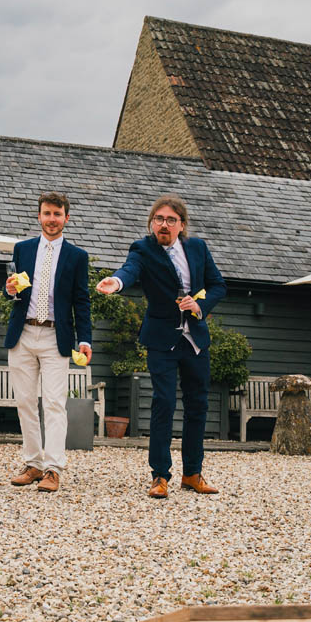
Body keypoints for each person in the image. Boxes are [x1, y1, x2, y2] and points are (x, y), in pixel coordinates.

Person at [96, 195, 227, 499]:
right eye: (158, 219)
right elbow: (129, 270)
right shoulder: (142, 249)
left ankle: (192, 474)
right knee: (164, 402)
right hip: (161, 338)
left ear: (182, 224)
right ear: (151, 222)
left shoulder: (197, 248)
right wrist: (115, 283)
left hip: (194, 338)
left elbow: (219, 284)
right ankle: (160, 476)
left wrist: (200, 304)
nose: (164, 224)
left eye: (170, 219)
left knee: (198, 405)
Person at [3, 192, 93, 493]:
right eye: (46, 213)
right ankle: (33, 463)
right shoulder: (22, 249)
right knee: (25, 402)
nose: (51, 219)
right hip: (23, 333)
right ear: (39, 216)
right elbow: (14, 293)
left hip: (57, 336)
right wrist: (10, 290)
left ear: (66, 218)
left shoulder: (77, 257)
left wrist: (85, 339)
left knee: (54, 403)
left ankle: (53, 469)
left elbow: (82, 301)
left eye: (57, 214)